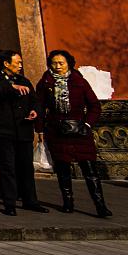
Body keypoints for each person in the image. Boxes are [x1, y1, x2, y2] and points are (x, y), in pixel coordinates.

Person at [36, 49, 109, 216]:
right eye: (54, 63)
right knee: (63, 170)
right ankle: (68, 202)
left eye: (61, 63)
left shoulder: (79, 82)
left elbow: (94, 106)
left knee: (90, 171)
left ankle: (100, 205)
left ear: (69, 63)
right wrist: (39, 129)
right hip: (57, 131)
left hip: (80, 132)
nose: (58, 66)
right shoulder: (45, 83)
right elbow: (39, 107)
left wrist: (88, 124)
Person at [0, 50, 47, 216]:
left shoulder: (23, 79)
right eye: (17, 62)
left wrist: (34, 111)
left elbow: (35, 100)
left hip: (23, 128)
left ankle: (30, 200)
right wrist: (11, 88)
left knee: (26, 167)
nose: (20, 65)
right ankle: (9, 203)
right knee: (7, 167)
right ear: (6, 64)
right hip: (3, 130)